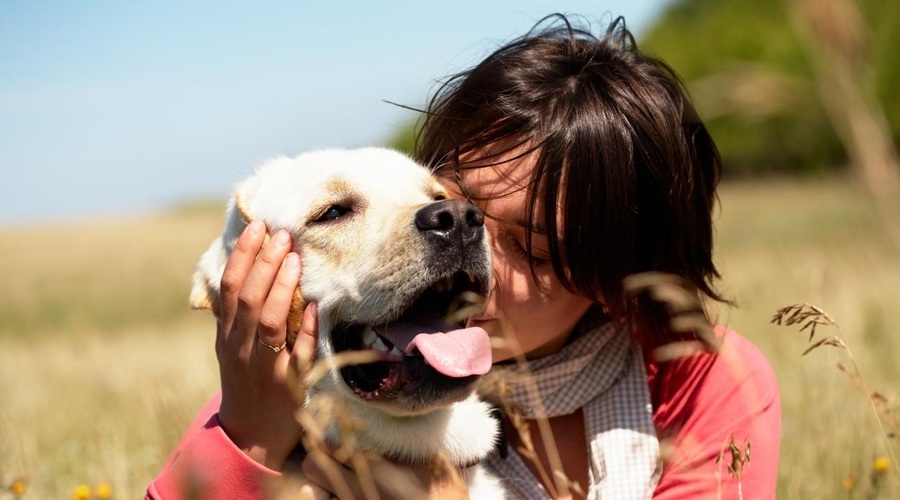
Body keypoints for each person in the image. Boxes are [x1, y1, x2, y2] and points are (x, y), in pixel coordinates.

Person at [147, 14, 780, 500]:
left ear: (615, 282)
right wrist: (251, 430)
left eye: (532, 249)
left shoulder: (697, 381)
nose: (464, 252)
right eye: (449, 209)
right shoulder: (309, 383)